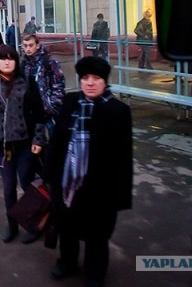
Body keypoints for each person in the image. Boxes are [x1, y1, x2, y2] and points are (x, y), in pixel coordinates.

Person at [44, 56, 133, 287]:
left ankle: (94, 273)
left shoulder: (118, 111)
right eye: (85, 78)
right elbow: (56, 142)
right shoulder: (71, 102)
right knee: (67, 228)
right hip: (67, 184)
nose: (90, 83)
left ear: (105, 81)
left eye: (96, 78)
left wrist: (119, 197)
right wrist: (50, 177)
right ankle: (67, 262)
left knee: (97, 236)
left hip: (100, 190)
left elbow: (123, 157)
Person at [0, 44, 48, 244]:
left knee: (28, 184)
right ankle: (12, 225)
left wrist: (38, 140)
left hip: (26, 145)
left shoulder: (27, 82)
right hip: (4, 147)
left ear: (16, 61)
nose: (7, 61)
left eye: (11, 58)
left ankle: (34, 223)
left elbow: (38, 114)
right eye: (3, 58)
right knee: (9, 187)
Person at [20, 33, 66, 138]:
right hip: (32, 112)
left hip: (48, 113)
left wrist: (52, 106)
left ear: (37, 45)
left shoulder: (49, 62)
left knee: (53, 139)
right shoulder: (24, 64)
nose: (28, 49)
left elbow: (59, 84)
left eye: (30, 45)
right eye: (25, 45)